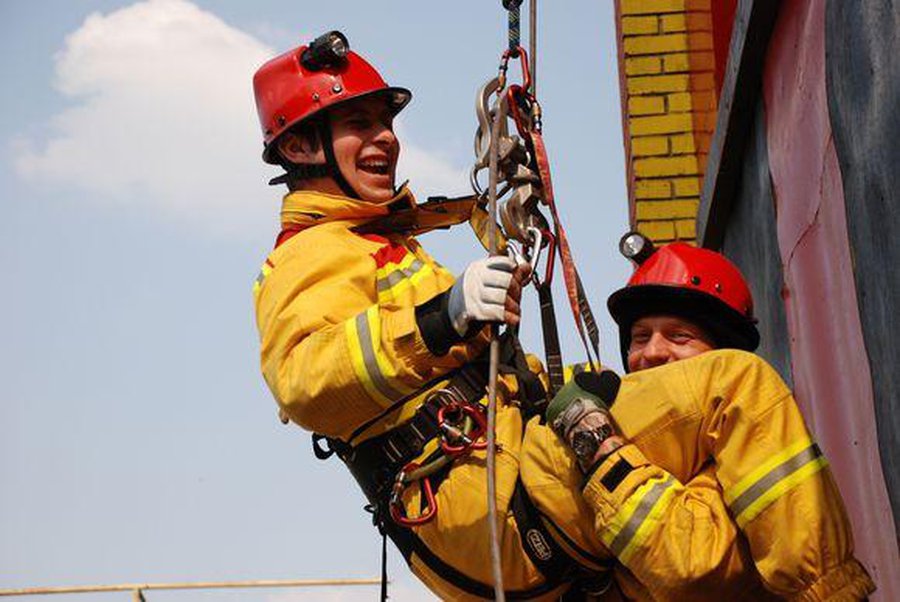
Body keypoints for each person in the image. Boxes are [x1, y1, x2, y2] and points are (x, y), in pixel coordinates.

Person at [252, 32, 873, 601]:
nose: (386, 137)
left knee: (714, 507)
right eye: (359, 123)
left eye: (386, 122)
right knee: (736, 388)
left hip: (501, 492)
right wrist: (443, 317)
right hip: (492, 504)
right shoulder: (311, 254)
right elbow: (304, 379)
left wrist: (571, 384)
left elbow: (466, 385)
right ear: (302, 146)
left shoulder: (383, 246)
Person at [538, 239, 875, 601]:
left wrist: (600, 447)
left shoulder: (742, 467)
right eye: (640, 338)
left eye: (679, 336)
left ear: (721, 355)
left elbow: (687, 566)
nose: (652, 353)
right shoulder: (628, 419)